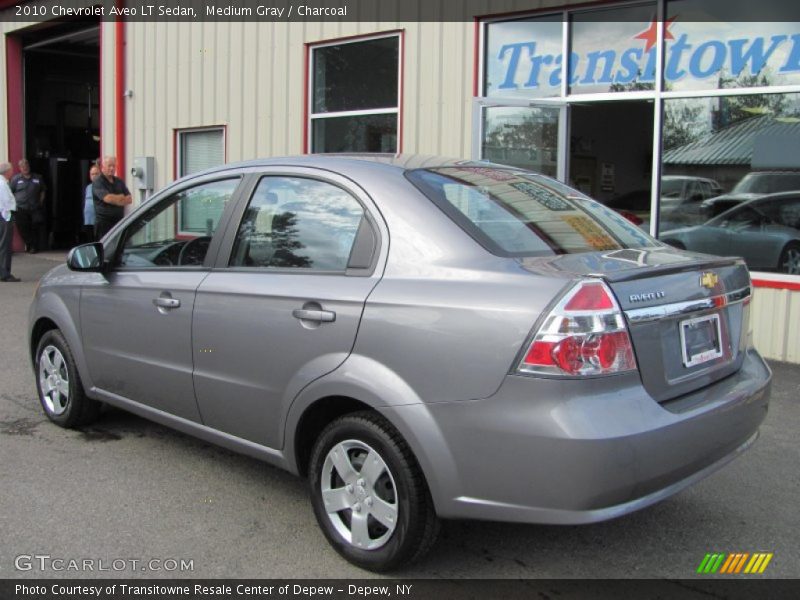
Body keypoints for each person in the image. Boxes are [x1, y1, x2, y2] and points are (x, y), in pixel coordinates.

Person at [9, 158, 46, 254]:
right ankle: (29, 244)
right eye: (22, 166)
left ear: (29, 166)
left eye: (26, 166)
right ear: (20, 168)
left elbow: (43, 190)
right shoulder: (15, 179)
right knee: (23, 228)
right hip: (21, 208)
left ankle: (34, 246)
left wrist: (40, 202)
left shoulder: (38, 178)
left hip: (35, 207)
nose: (25, 168)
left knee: (36, 226)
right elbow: (10, 192)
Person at [92, 155, 132, 239]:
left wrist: (116, 199)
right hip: (103, 225)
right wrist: (121, 197)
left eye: (114, 166)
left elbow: (129, 199)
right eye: (109, 166)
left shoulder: (119, 181)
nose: (112, 168)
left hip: (118, 223)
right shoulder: (98, 182)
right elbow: (107, 198)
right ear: (103, 166)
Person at [0, 161, 20, 282]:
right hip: (4, 216)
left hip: (3, 216)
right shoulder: (2, 184)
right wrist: (8, 217)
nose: (12, 171)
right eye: (11, 169)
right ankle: (5, 273)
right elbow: (6, 202)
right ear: (7, 171)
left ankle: (3, 272)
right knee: (5, 245)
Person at [83, 163, 101, 242]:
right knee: (89, 239)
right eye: (92, 174)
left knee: (97, 239)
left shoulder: (102, 186)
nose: (94, 176)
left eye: (96, 174)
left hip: (97, 219)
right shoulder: (88, 187)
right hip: (88, 218)